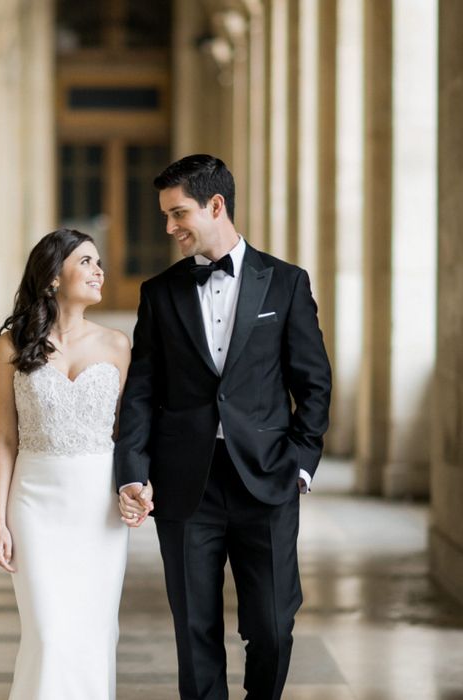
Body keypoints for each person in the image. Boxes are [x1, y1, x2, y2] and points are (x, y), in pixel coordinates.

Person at [115, 155, 331, 700]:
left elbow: (314, 384)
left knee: (274, 627)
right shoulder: (159, 293)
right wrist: (132, 473)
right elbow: (141, 392)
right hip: (187, 486)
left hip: (268, 482)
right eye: (165, 215)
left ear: (216, 206)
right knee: (195, 633)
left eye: (178, 213)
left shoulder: (286, 283)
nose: (169, 227)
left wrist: (300, 467)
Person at [0, 228, 151, 699]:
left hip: (97, 511)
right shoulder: (11, 345)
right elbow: (3, 439)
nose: (99, 270)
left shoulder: (118, 345)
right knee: (49, 635)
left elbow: (129, 435)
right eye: (86, 261)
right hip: (35, 505)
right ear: (53, 276)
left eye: (99, 261)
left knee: (95, 636)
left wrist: (137, 487)